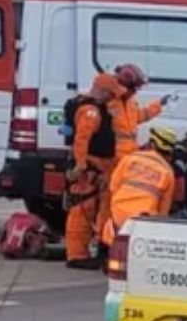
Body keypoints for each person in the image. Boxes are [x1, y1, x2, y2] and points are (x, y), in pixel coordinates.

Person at [64, 73, 122, 269]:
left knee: (94, 208)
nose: (113, 97)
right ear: (104, 92)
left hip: (99, 167)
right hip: (90, 167)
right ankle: (76, 255)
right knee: (82, 209)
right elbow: (81, 140)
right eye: (111, 93)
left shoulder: (96, 108)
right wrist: (81, 165)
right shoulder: (91, 112)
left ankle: (88, 251)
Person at [101, 126, 179, 251]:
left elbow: (113, 188)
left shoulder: (129, 159)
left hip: (118, 219)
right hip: (144, 223)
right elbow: (163, 212)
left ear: (152, 145)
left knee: (116, 251)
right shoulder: (168, 172)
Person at [109, 63, 174, 158]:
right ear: (123, 86)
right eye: (134, 89)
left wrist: (160, 104)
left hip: (130, 154)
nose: (135, 92)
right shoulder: (107, 102)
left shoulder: (130, 101)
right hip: (113, 157)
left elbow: (140, 116)